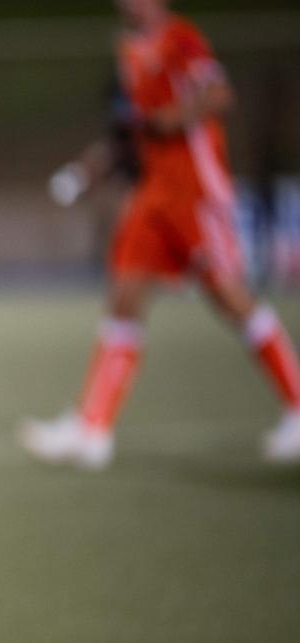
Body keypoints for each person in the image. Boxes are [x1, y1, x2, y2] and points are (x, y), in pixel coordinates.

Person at [19, 0, 300, 469]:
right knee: (123, 298)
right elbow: (131, 131)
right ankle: (94, 429)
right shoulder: (129, 50)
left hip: (195, 193)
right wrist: (91, 169)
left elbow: (219, 96)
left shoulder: (181, 38)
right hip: (153, 195)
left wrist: (178, 115)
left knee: (231, 299)